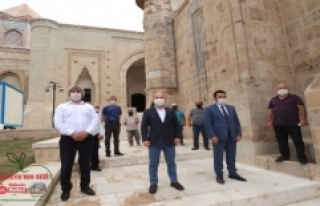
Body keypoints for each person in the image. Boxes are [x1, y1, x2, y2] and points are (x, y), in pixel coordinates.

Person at [54, 85, 98, 201]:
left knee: (85, 163)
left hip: (86, 139)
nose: (76, 93)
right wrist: (71, 133)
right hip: (68, 139)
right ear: (69, 93)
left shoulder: (89, 107)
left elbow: (94, 121)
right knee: (67, 164)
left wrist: (87, 132)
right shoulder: (62, 107)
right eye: (73, 91)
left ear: (82, 93)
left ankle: (85, 186)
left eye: (78, 91)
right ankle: (66, 189)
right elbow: (58, 122)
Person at [141, 92, 184, 194]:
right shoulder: (148, 112)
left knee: (171, 162)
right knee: (153, 164)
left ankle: (174, 181)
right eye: (157, 97)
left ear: (165, 98)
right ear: (153, 98)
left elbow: (176, 125)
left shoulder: (171, 111)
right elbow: (144, 126)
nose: (159, 99)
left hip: (169, 141)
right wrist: (145, 139)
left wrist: (177, 136)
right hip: (154, 141)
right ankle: (153, 183)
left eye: (161, 97)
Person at [204, 90, 246, 184]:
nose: (222, 98)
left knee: (231, 155)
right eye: (220, 97)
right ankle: (219, 174)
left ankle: (233, 173)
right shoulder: (209, 109)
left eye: (224, 96)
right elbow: (207, 124)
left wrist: (238, 133)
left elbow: (236, 121)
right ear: (215, 98)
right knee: (218, 157)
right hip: (218, 137)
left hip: (232, 136)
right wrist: (212, 136)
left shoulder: (231, 108)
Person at [267, 82, 308, 165]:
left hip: (292, 123)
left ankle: (302, 158)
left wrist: (303, 119)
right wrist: (268, 121)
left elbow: (301, 108)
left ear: (287, 89)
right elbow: (269, 111)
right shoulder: (273, 100)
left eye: (284, 87)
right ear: (276, 90)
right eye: (280, 88)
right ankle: (284, 155)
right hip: (278, 124)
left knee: (298, 141)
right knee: (281, 141)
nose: (282, 89)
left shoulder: (295, 98)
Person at [91, 105, 104, 171]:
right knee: (83, 152)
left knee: (95, 151)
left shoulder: (95, 116)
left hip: (94, 135)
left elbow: (99, 125)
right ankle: (83, 167)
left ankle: (95, 165)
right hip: (85, 136)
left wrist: (101, 133)